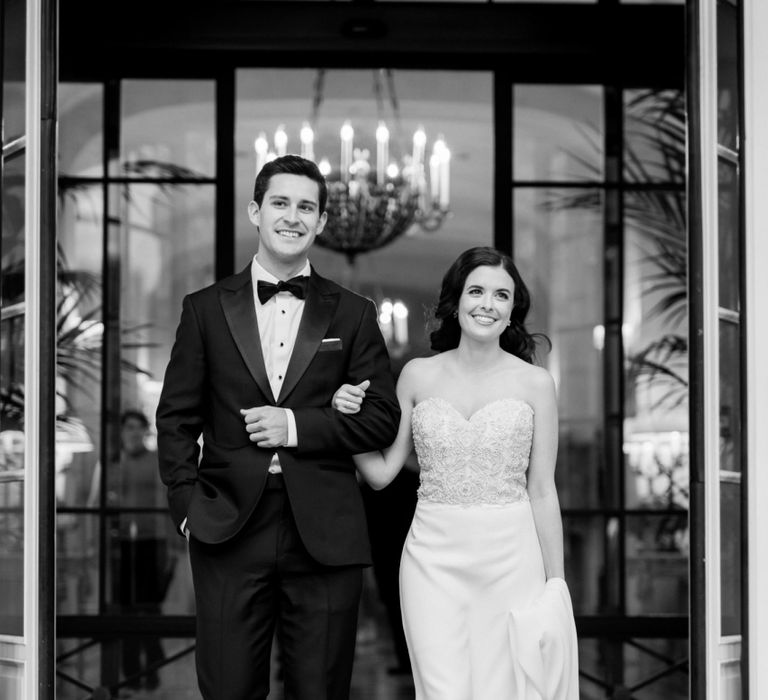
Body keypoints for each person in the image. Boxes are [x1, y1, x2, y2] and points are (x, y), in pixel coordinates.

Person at [155, 154, 400, 700]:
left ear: (322, 223)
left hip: (326, 532)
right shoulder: (204, 310)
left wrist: (295, 426)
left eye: (306, 207)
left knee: (320, 691)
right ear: (256, 212)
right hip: (226, 528)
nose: (293, 217)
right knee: (228, 690)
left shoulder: (354, 314)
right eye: (281, 203)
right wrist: (186, 507)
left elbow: (382, 419)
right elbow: (174, 420)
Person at [333, 246, 579, 699]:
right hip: (432, 562)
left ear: (512, 310)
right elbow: (383, 474)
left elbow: (542, 491)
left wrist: (556, 585)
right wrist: (345, 422)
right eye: (476, 291)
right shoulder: (416, 375)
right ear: (456, 301)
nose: (487, 303)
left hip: (512, 562)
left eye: (501, 295)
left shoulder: (536, 384)